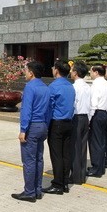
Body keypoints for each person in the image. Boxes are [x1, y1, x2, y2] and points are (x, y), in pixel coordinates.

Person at [12, 61, 50, 203]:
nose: (25, 73)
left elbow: (26, 110)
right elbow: (48, 110)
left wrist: (23, 130)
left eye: (26, 70)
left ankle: (29, 192)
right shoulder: (46, 88)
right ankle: (37, 190)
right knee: (39, 159)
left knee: (29, 161)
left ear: (31, 73)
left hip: (32, 127)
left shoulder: (30, 87)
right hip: (42, 126)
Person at [44, 60, 75, 195]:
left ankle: (57, 184)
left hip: (57, 123)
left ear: (56, 70)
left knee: (56, 155)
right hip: (69, 122)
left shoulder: (53, 86)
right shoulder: (70, 86)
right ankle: (65, 183)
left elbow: (48, 107)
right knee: (66, 154)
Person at [70, 62, 91, 185]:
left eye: (72, 70)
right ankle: (81, 175)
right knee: (83, 148)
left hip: (76, 118)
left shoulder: (74, 87)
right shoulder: (88, 87)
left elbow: (73, 105)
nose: (70, 72)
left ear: (76, 73)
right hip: (85, 117)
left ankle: (76, 176)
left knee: (75, 148)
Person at [87, 65, 107, 178]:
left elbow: (93, 103)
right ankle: (100, 167)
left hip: (97, 113)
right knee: (101, 141)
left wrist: (89, 119)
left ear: (96, 72)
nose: (90, 73)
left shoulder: (96, 84)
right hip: (104, 113)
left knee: (95, 142)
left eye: (91, 71)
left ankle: (96, 168)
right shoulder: (106, 83)